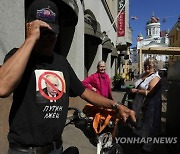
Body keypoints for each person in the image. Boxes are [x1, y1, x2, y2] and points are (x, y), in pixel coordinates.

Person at [0, 0, 136, 154]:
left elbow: (84, 92)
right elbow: (2, 87)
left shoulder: (61, 62)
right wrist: (31, 39)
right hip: (25, 151)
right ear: (29, 27)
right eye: (42, 31)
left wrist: (116, 106)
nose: (47, 37)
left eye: (52, 32)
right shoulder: (17, 57)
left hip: (56, 148)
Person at [130, 57, 161, 154]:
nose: (147, 67)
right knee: (140, 124)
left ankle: (147, 149)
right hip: (139, 104)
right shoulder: (143, 75)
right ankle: (142, 144)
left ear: (154, 67)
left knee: (149, 126)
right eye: (145, 65)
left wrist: (137, 91)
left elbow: (150, 92)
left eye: (149, 65)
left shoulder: (155, 77)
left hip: (149, 105)